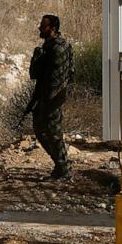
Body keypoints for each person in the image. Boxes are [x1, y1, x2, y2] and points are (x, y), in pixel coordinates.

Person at [27, 14, 75, 179]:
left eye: (43, 26)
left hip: (53, 98)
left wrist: (47, 101)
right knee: (42, 130)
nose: (40, 28)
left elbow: (48, 78)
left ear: (52, 28)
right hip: (49, 97)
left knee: (53, 133)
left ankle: (64, 167)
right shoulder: (53, 47)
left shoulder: (56, 49)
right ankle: (61, 165)